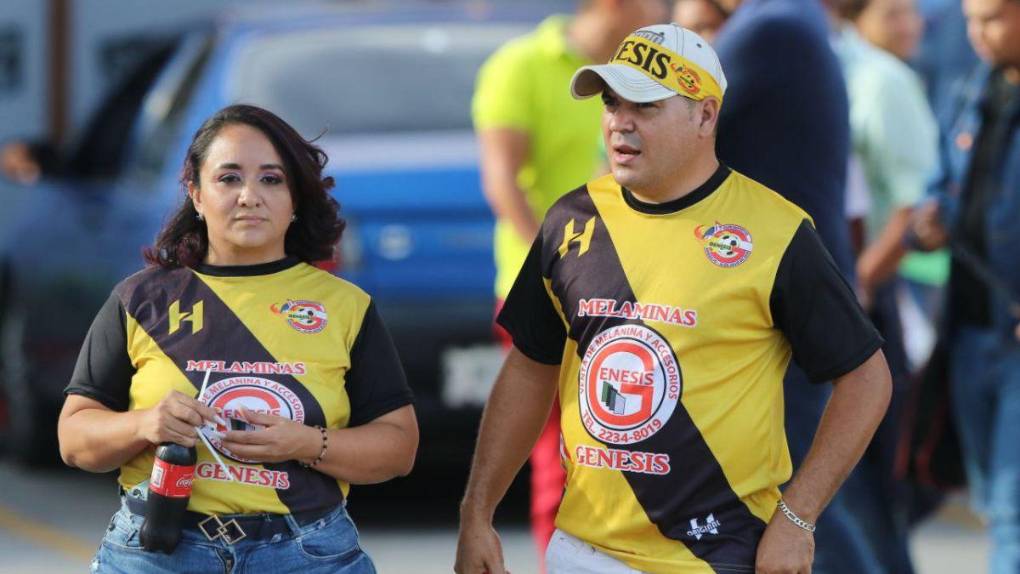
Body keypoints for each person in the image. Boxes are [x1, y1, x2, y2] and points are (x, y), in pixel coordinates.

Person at [455, 23, 892, 574]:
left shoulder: (774, 232)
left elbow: (867, 377)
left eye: (644, 105)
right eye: (611, 103)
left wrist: (798, 518)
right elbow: (528, 368)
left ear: (705, 115)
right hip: (580, 553)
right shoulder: (572, 220)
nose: (619, 122)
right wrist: (477, 513)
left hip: (718, 556)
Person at [57, 104, 418, 573]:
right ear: (196, 194)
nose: (250, 196)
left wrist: (307, 443)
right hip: (156, 552)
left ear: (295, 199)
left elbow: (399, 446)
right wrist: (145, 424)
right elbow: (73, 438)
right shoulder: (139, 299)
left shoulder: (345, 306)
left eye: (271, 179)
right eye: (229, 178)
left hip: (307, 554)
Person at [472, 0, 669, 560]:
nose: (665, 10)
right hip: (546, 287)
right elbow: (502, 180)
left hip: (641, 288)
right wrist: (561, 270)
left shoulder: (649, 68)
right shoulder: (521, 64)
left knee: (630, 442)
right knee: (560, 448)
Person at [710, 1, 891, 570]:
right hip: (791, 282)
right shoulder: (796, 22)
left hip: (779, 295)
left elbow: (675, 115)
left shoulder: (772, 27)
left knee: (797, 500)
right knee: (816, 493)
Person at [911, 0, 1020, 569]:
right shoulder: (971, 90)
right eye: (971, 19)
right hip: (969, 330)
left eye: (993, 18)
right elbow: (941, 186)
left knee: (1011, 511)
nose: (978, 33)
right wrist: (930, 221)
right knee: (990, 502)